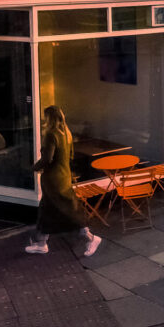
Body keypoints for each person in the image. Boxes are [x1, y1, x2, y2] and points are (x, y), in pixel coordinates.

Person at [25, 106, 101, 257]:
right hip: (64, 177)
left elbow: (47, 159)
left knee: (64, 210)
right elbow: (70, 155)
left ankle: (91, 238)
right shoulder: (67, 133)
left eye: (45, 117)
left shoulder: (51, 135)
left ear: (49, 118)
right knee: (50, 209)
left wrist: (32, 168)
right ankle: (42, 243)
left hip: (54, 179)